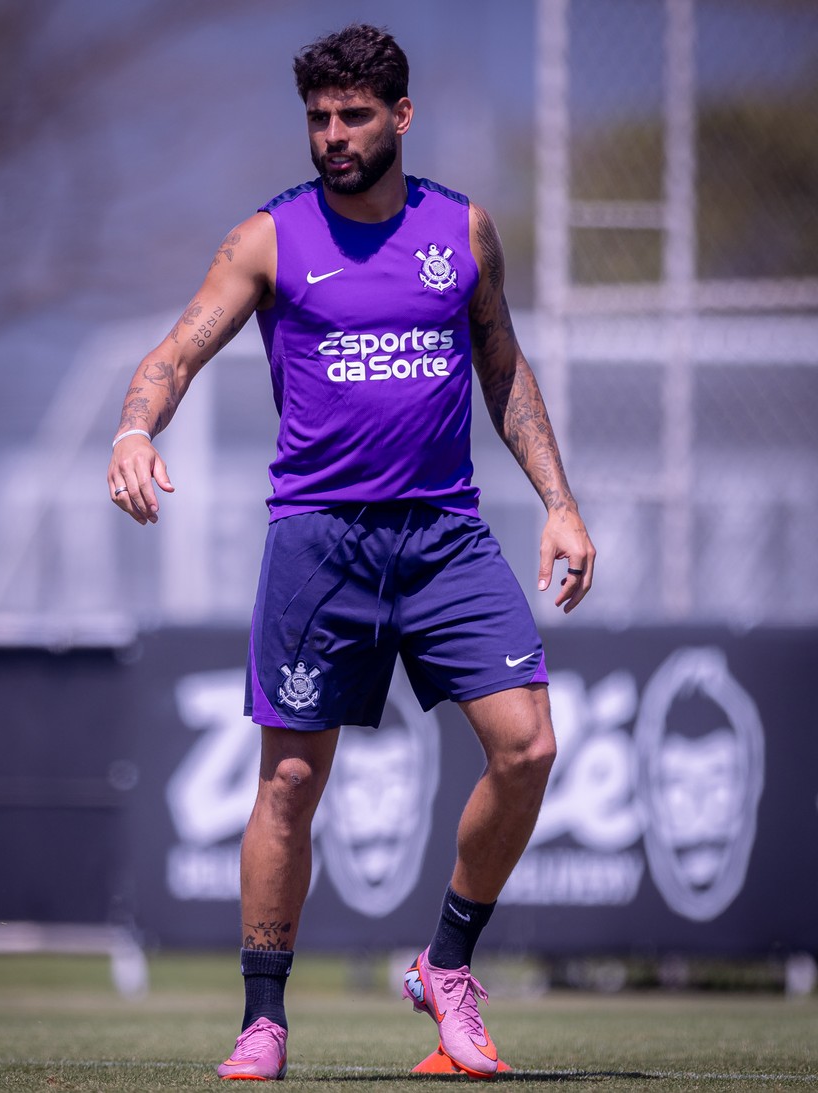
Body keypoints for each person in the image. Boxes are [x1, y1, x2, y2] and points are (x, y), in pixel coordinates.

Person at [108, 23, 595, 1080]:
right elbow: (175, 351)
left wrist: (558, 501)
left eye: (354, 115)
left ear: (400, 117)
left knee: (529, 748)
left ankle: (447, 964)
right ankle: (263, 1017)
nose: (332, 135)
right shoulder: (269, 240)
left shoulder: (463, 232)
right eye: (319, 117)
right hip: (318, 542)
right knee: (289, 779)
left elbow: (504, 372)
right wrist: (136, 428)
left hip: (446, 534)